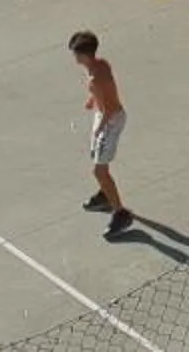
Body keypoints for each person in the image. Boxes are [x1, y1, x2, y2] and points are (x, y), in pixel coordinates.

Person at [67, 29, 130, 236]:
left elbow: (109, 109)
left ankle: (120, 213)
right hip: (106, 116)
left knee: (99, 170)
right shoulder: (101, 64)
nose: (74, 57)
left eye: (76, 53)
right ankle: (105, 193)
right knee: (97, 159)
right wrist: (92, 100)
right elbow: (107, 92)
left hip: (109, 121)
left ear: (84, 55)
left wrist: (100, 130)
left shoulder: (95, 79)